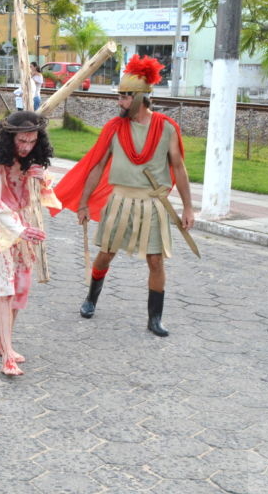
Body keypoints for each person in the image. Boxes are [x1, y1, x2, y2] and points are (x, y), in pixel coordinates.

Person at [53, 56, 195, 337]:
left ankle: (155, 319)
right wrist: (83, 202)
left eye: (124, 98)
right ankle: (91, 299)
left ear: (140, 97)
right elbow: (96, 167)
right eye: (119, 97)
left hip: (153, 203)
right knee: (105, 255)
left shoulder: (166, 128)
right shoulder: (114, 128)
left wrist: (188, 208)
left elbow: (179, 167)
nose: (119, 103)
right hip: (119, 201)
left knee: (156, 261)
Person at [0, 111, 58, 377]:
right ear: (11, 137)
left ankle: (2, 342)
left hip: (25, 223)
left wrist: (41, 177)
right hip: (1, 227)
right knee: (4, 289)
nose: (26, 146)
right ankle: (7, 355)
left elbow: (43, 191)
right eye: (22, 140)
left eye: (32, 141)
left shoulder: (33, 153)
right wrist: (18, 229)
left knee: (19, 288)